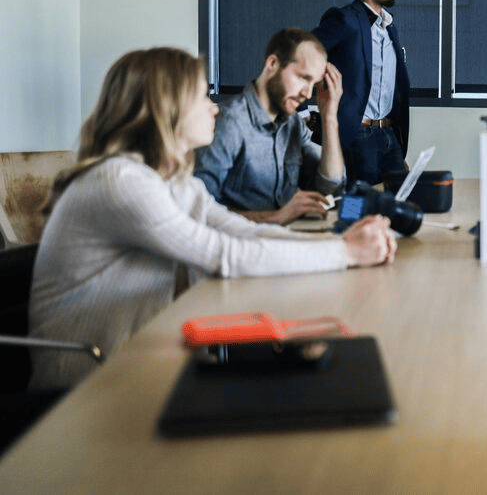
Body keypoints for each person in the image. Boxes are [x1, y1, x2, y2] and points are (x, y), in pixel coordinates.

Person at [29, 47, 396, 390]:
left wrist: (339, 247)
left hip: (135, 359)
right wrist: (345, 254)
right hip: (84, 385)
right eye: (203, 97)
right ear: (167, 107)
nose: (214, 108)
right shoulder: (121, 182)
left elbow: (241, 232)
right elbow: (224, 254)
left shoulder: (168, 180)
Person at [195, 28, 346, 225]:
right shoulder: (229, 122)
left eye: (314, 85)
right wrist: (274, 218)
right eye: (302, 78)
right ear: (272, 64)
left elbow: (330, 186)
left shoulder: (293, 124)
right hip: (242, 245)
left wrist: (330, 117)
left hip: (282, 238)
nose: (308, 94)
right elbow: (198, 211)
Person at [313, 0, 410, 185]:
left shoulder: (388, 27)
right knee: (356, 201)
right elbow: (304, 50)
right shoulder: (345, 20)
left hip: (388, 133)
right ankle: (345, 222)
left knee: (396, 199)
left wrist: (393, 136)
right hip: (358, 134)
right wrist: (323, 79)